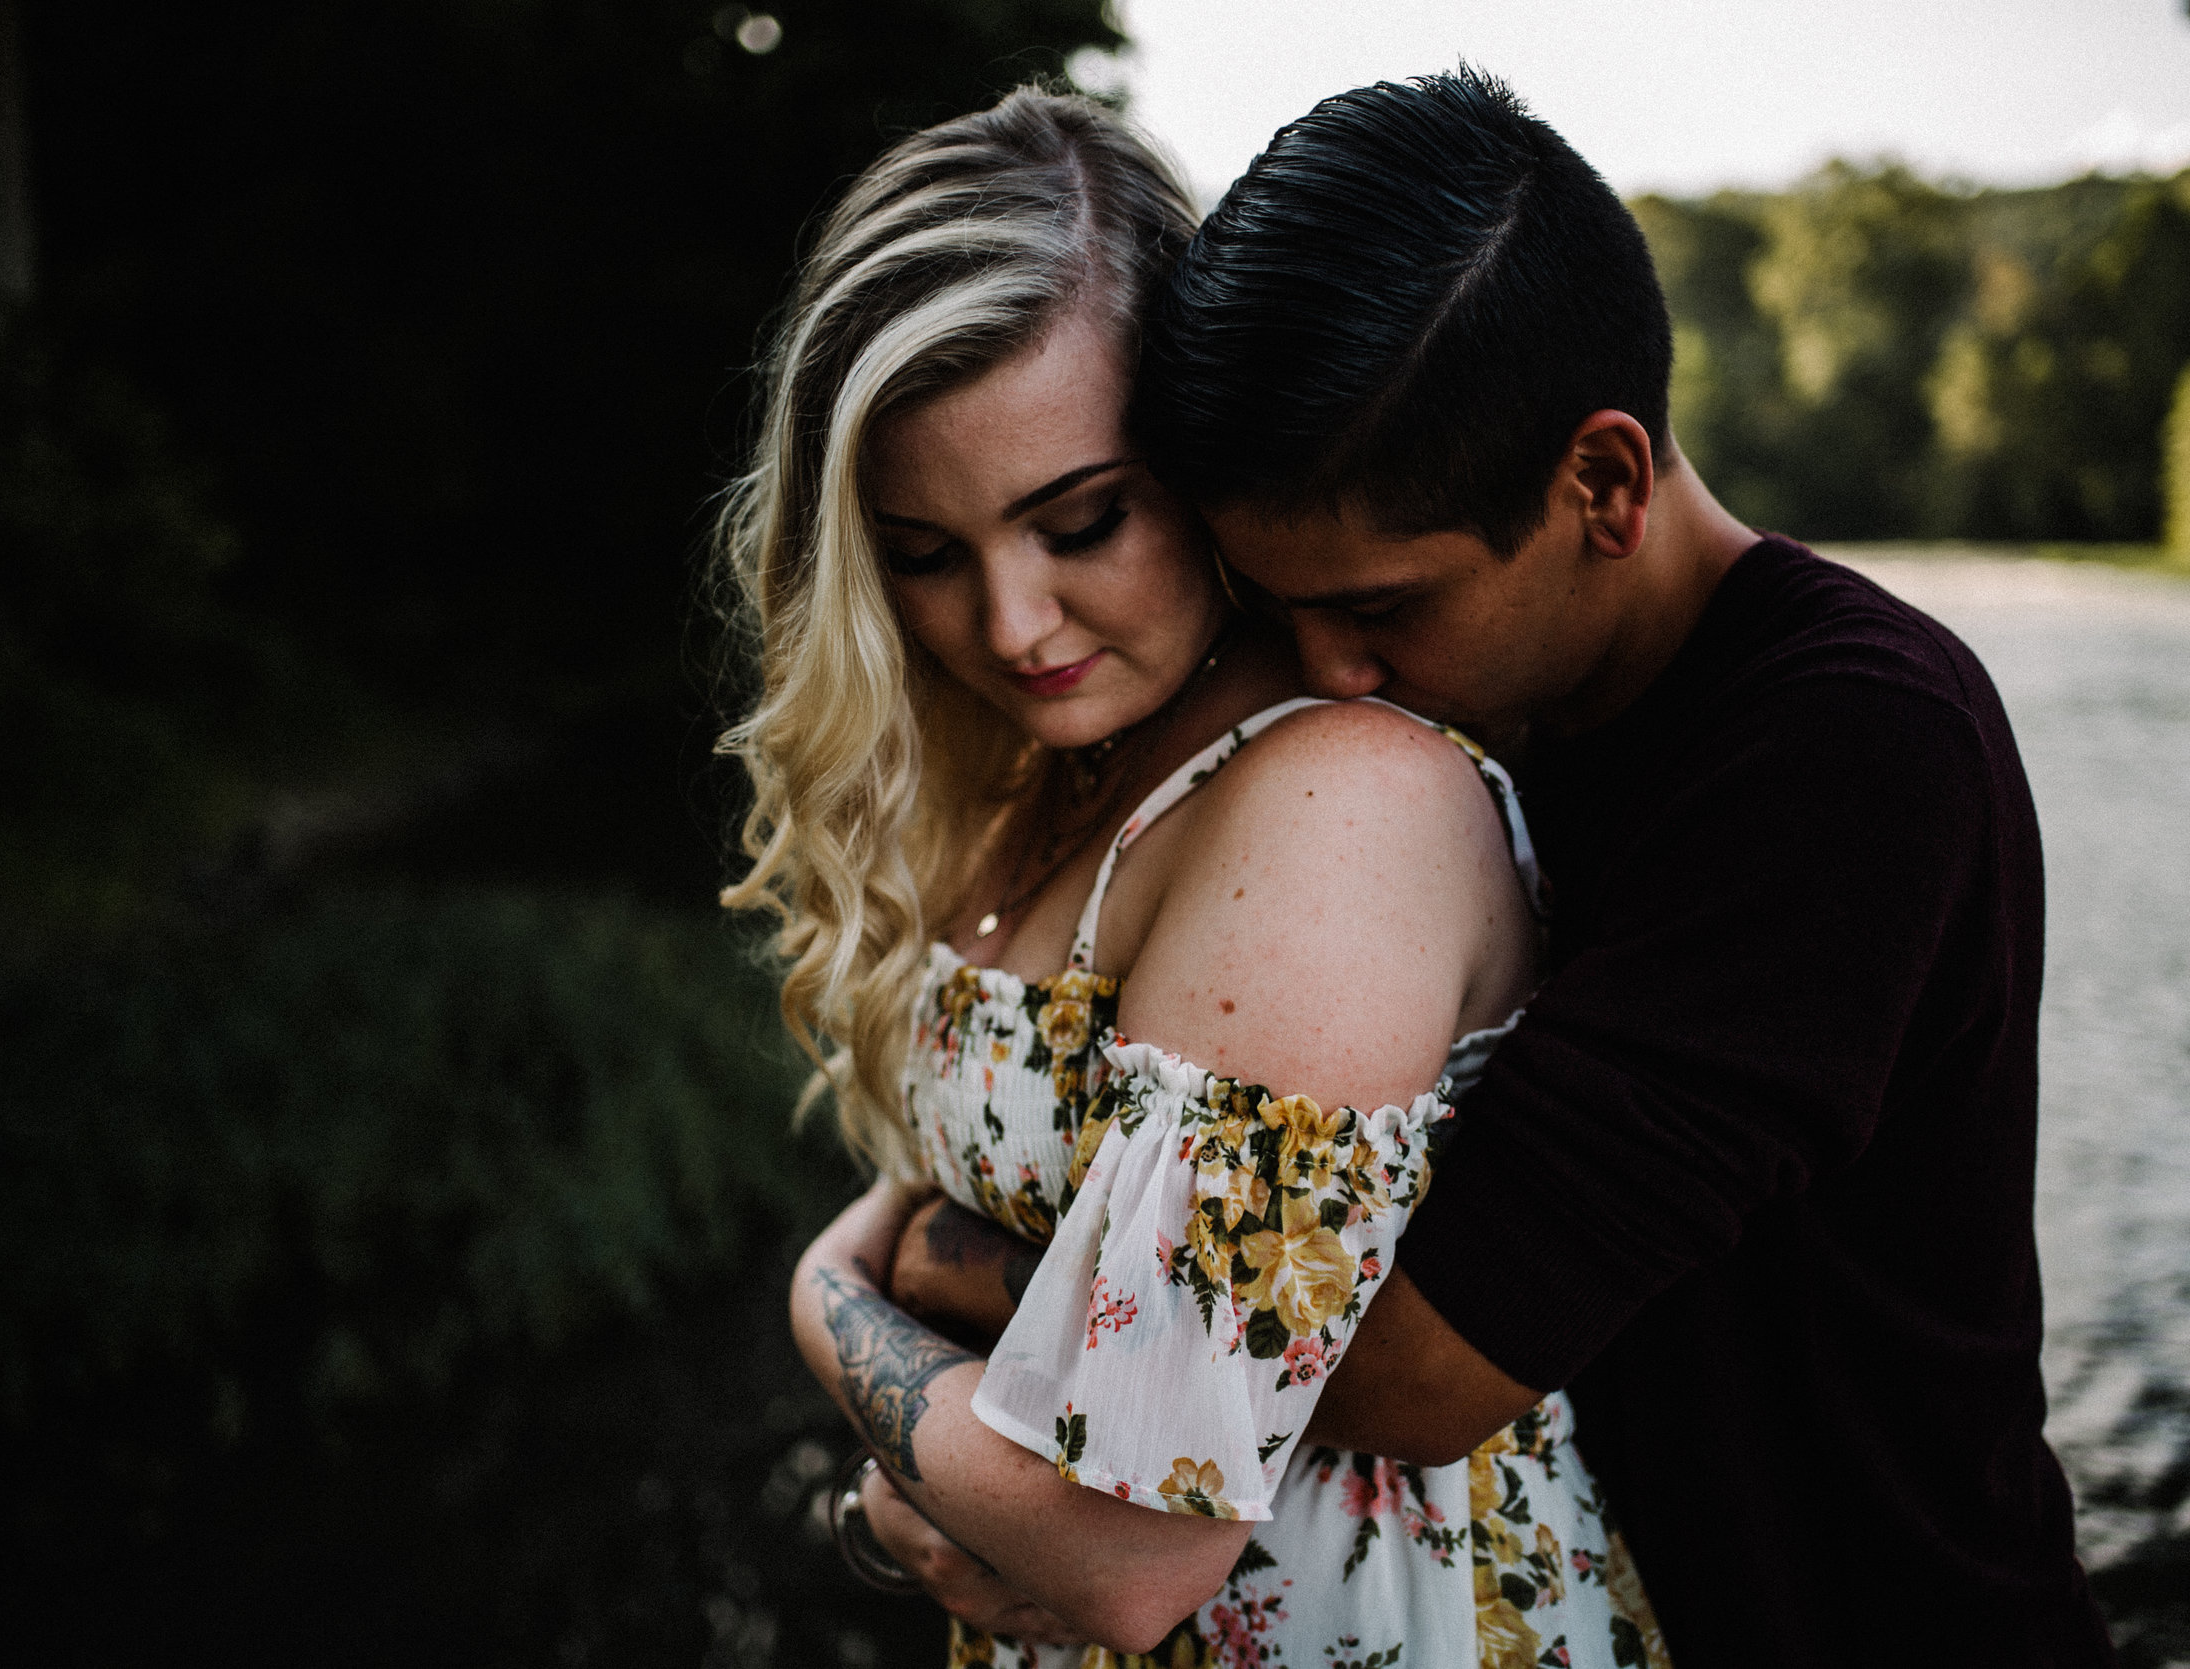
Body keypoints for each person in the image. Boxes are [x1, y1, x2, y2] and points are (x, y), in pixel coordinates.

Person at [1108, 69, 2110, 1668]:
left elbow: (1413, 1368)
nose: (1322, 676)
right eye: (1273, 604)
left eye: (1381, 605)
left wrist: (959, 1262)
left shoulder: (1856, 748)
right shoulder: (1477, 690)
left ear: (1605, 485)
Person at [720, 88, 1669, 1666]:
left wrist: (828, 1298)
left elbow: (1126, 1543)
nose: (1015, 623)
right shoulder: (1050, 772)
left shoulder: (1337, 805)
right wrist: (945, 1384)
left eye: (1081, 520)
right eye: (926, 551)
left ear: (1208, 460)